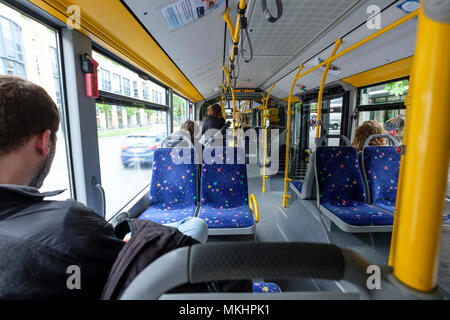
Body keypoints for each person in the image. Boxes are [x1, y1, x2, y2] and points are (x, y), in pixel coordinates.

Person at [0, 76, 208, 299]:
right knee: (194, 224)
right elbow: (132, 271)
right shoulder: (68, 223)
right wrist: (129, 248)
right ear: (44, 142)